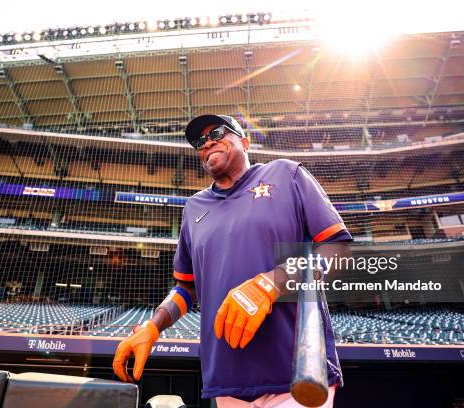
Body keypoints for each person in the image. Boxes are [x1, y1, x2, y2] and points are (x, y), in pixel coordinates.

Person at [113, 115, 352, 407]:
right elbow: (186, 288)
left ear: (245, 141)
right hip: (227, 384)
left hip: (299, 372)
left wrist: (271, 283)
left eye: (217, 132)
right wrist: (153, 326)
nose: (208, 142)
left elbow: (336, 248)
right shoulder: (194, 208)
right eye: (200, 142)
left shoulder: (286, 174)